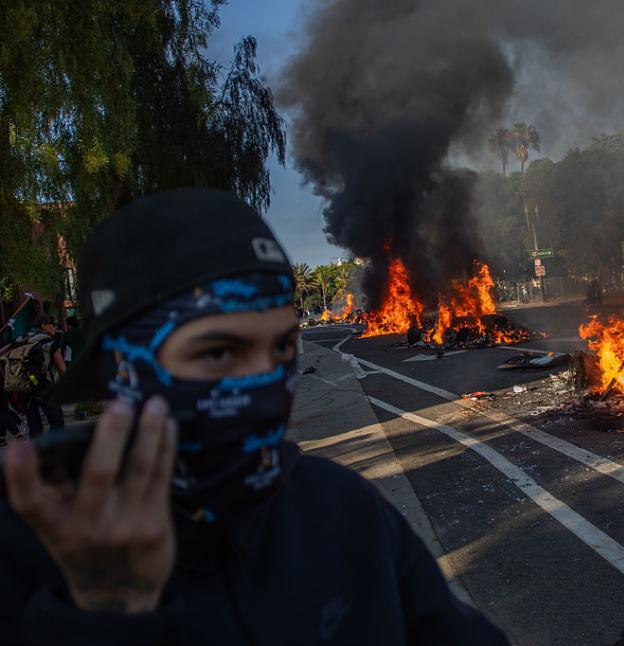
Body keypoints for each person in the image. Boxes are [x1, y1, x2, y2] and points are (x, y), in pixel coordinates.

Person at [0, 189, 508, 645]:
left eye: (283, 347)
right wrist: (106, 621)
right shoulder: (28, 549)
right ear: (122, 368)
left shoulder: (343, 511)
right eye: (220, 353)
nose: (265, 390)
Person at [12, 314, 66, 437]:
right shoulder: (49, 342)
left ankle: (38, 452)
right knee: (57, 421)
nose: (55, 327)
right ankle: (53, 450)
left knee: (34, 426)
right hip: (43, 386)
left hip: (25, 386)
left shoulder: (21, 339)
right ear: (43, 325)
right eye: (53, 324)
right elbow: (62, 368)